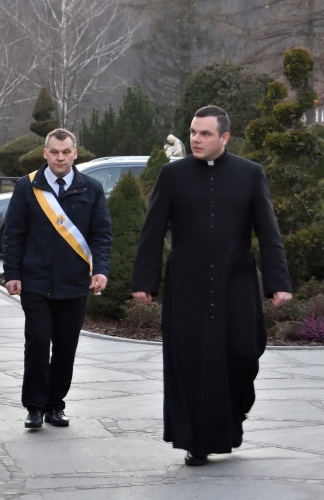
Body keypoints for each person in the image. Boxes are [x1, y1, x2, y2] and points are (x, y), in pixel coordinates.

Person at [131, 105, 292, 466]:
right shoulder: (173, 175)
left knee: (243, 352)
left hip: (236, 281)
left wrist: (279, 283)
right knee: (190, 362)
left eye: (205, 134)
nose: (196, 139)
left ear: (224, 137)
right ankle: (196, 441)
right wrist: (144, 281)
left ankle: (236, 408)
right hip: (186, 284)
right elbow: (152, 231)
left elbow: (268, 232)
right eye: (192, 132)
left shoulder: (250, 174)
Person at [3, 128, 112, 429]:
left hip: (74, 284)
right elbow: (14, 234)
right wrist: (12, 273)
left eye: (66, 152)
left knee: (66, 347)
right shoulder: (27, 188)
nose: (60, 157)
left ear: (75, 153)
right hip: (36, 282)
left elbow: (101, 234)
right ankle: (35, 407)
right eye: (54, 152)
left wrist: (100, 269)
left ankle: (56, 405)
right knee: (38, 343)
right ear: (45, 153)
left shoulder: (92, 189)